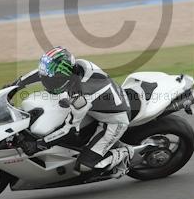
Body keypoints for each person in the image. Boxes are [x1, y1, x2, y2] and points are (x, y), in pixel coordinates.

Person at [14, 46, 134, 176]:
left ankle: (125, 152)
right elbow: (41, 74)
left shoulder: (81, 96)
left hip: (114, 121)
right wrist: (15, 85)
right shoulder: (77, 66)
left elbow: (69, 130)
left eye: (53, 81)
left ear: (64, 77)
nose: (48, 84)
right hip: (101, 104)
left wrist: (39, 145)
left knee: (85, 166)